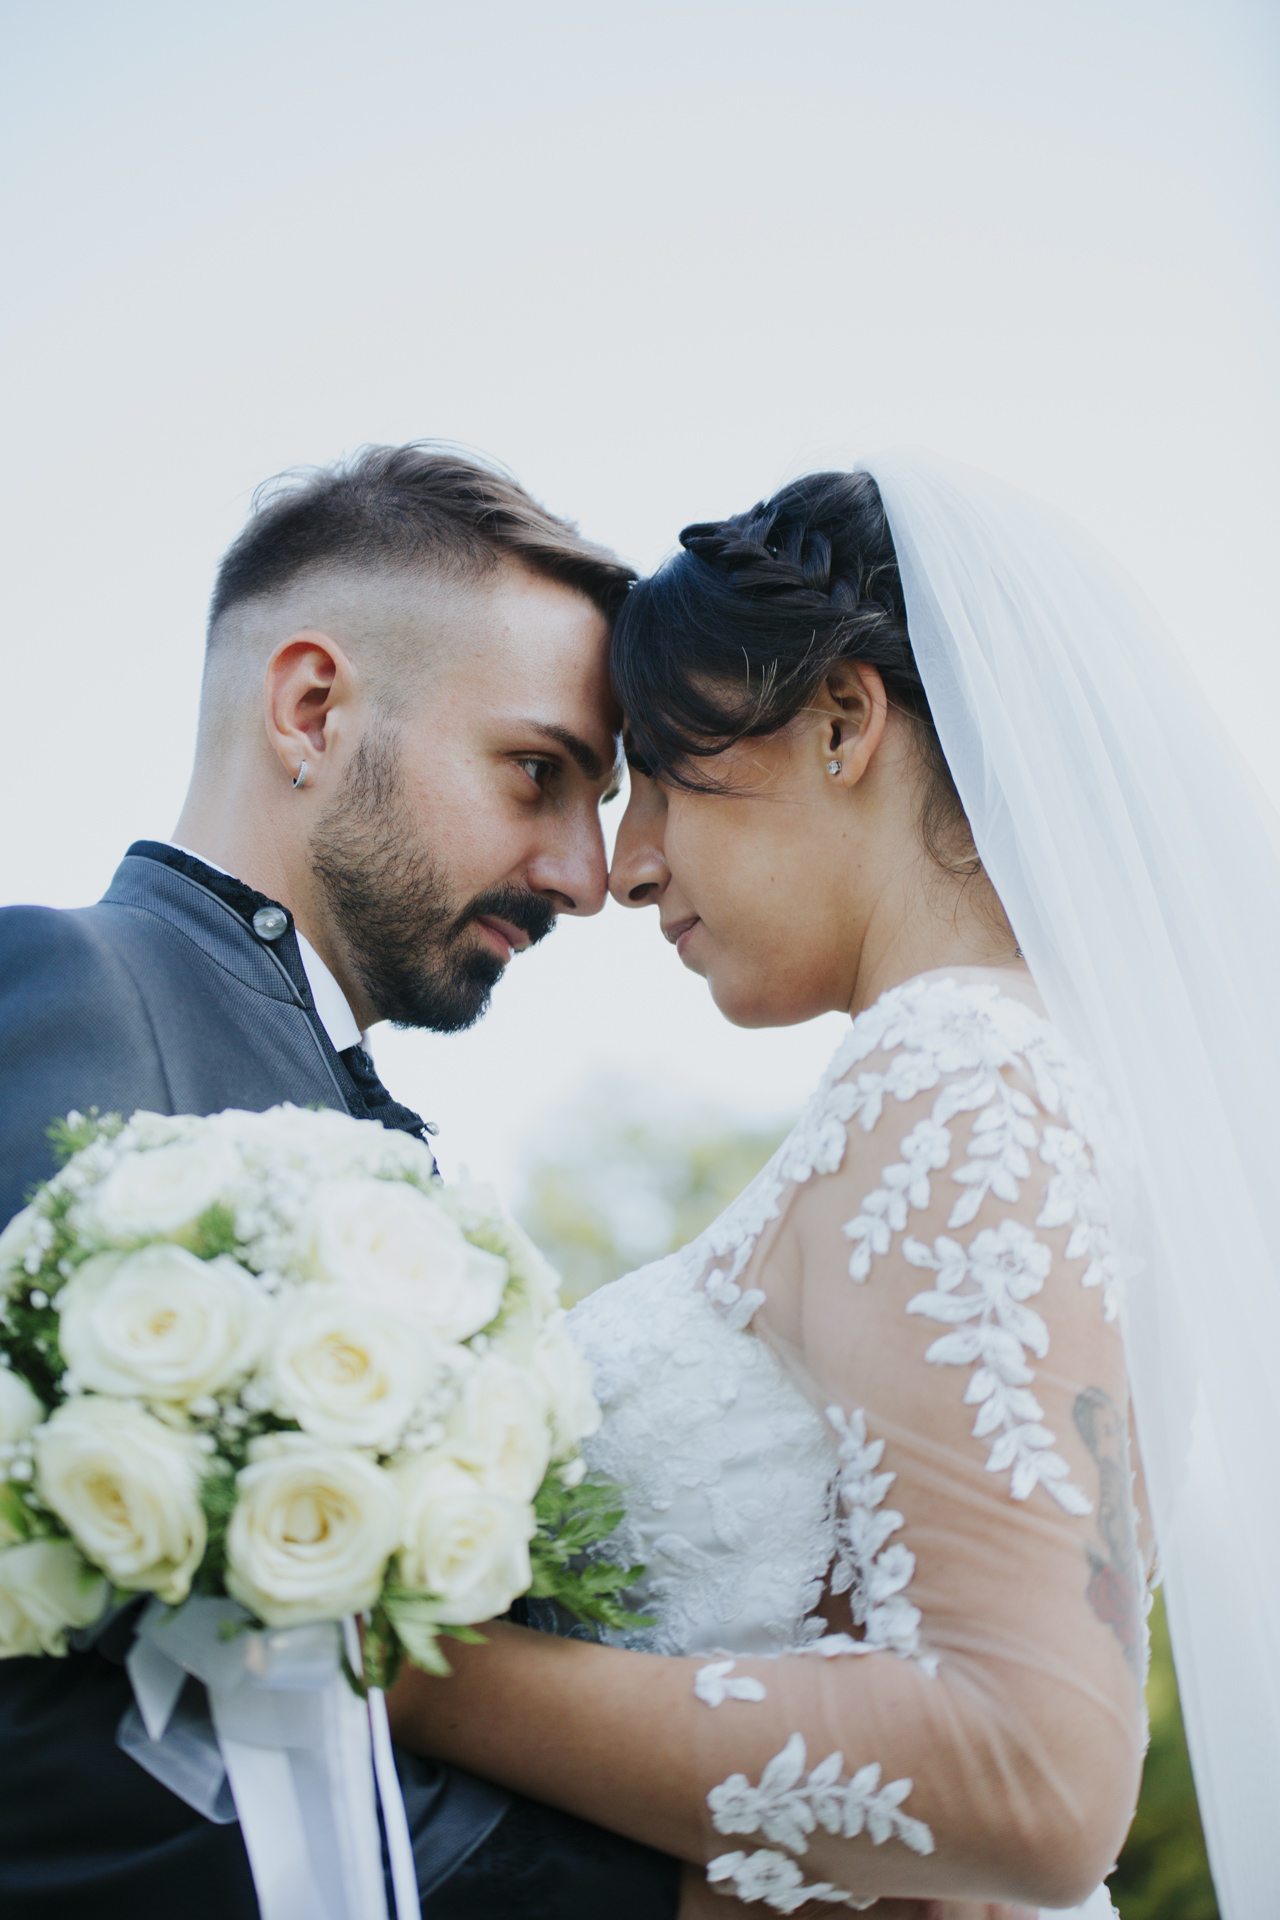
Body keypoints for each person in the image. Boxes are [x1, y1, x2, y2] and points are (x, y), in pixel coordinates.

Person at [387, 457, 1280, 1919]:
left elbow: (1031, 1774)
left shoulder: (960, 1069)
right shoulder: (1015, 1072)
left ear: (843, 723)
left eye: (662, 772)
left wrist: (413, 1674)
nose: (627, 866)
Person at [0, 445, 683, 1919]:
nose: (583, 874)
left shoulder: (391, 1137)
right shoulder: (69, 988)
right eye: (539, 772)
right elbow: (48, 1710)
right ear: (312, 708)